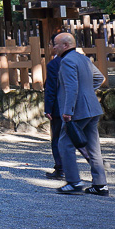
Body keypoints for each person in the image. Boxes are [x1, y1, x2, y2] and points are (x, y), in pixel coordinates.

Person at [53, 33, 108, 196]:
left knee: (64, 143)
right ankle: (100, 185)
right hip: (93, 108)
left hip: (77, 110)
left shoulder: (67, 61)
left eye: (55, 44)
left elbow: (71, 88)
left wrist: (68, 111)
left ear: (65, 45)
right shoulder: (83, 59)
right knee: (93, 147)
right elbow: (100, 78)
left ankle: (73, 181)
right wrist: (88, 92)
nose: (53, 47)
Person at [44, 32, 66, 180]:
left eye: (51, 44)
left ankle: (60, 168)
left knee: (57, 138)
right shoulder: (82, 60)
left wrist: (48, 108)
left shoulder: (54, 64)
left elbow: (51, 89)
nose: (50, 47)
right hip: (78, 107)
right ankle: (95, 165)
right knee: (79, 138)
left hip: (59, 107)